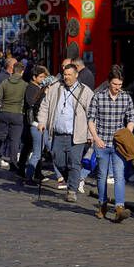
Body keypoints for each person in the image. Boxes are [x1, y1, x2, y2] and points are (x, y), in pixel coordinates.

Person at [37, 62, 94, 203]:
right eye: (65, 74)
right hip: (58, 133)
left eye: (69, 75)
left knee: (74, 162)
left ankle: (72, 191)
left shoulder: (85, 91)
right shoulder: (56, 88)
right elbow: (45, 105)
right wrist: (42, 121)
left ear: (76, 75)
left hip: (77, 135)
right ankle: (72, 180)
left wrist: (90, 134)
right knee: (58, 161)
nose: (66, 77)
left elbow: (93, 114)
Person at [88, 66, 134, 222]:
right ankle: (102, 204)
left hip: (118, 145)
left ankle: (119, 208)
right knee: (101, 176)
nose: (117, 88)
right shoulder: (98, 97)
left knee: (119, 176)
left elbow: (131, 119)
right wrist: (96, 138)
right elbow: (91, 120)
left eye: (120, 85)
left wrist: (127, 135)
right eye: (115, 84)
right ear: (109, 82)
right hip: (102, 142)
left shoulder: (126, 98)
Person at [0, 63, 28, 172]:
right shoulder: (24, 85)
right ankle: (13, 163)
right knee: (14, 140)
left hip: (4, 113)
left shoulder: (5, 83)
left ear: (12, 71)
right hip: (18, 114)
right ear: (22, 72)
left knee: (0, 137)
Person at [24, 65, 53, 184]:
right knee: (38, 152)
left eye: (44, 77)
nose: (42, 79)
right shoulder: (32, 88)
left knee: (48, 150)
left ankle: (61, 177)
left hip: (42, 124)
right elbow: (33, 104)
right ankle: (29, 176)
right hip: (37, 125)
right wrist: (44, 93)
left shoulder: (38, 87)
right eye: (40, 77)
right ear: (34, 77)